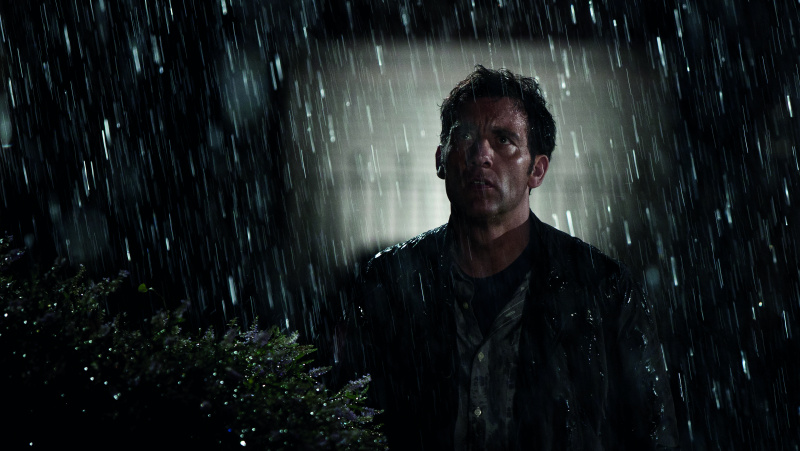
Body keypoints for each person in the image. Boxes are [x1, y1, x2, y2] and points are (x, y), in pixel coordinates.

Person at [333, 66, 679, 450]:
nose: (481, 154)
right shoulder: (389, 283)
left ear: (537, 170)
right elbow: (347, 423)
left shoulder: (602, 289)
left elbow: (652, 432)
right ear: (441, 160)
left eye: (503, 140)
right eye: (464, 136)